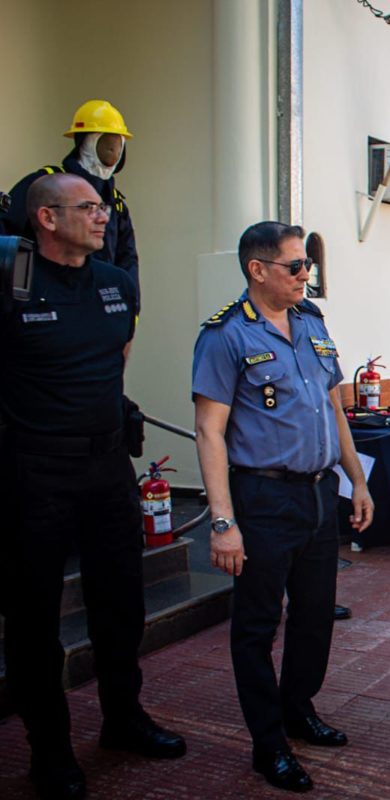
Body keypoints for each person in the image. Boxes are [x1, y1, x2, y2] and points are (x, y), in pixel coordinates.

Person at [0, 173, 184, 800]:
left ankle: (122, 720)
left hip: (107, 472)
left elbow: (115, 361)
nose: (103, 217)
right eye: (88, 208)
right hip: (34, 475)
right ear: (47, 219)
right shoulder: (12, 284)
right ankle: (48, 751)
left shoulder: (117, 284)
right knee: (32, 621)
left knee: (121, 605)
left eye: (102, 207)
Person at [192, 221, 375, 793]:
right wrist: (223, 524)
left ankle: (298, 709)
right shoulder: (225, 336)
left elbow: (334, 408)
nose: (305, 275)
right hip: (263, 497)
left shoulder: (312, 324)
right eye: (295, 266)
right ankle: (267, 743)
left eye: (307, 266)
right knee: (257, 624)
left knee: (316, 614)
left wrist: (357, 481)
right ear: (258, 270)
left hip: (319, 494)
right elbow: (208, 431)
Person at [3, 100, 140, 293]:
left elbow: (128, 260)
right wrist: (18, 295)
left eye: (118, 144)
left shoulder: (116, 204)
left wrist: (128, 305)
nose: (113, 152)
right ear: (84, 141)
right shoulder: (45, 185)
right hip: (49, 300)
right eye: (107, 142)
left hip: (100, 305)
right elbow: (7, 236)